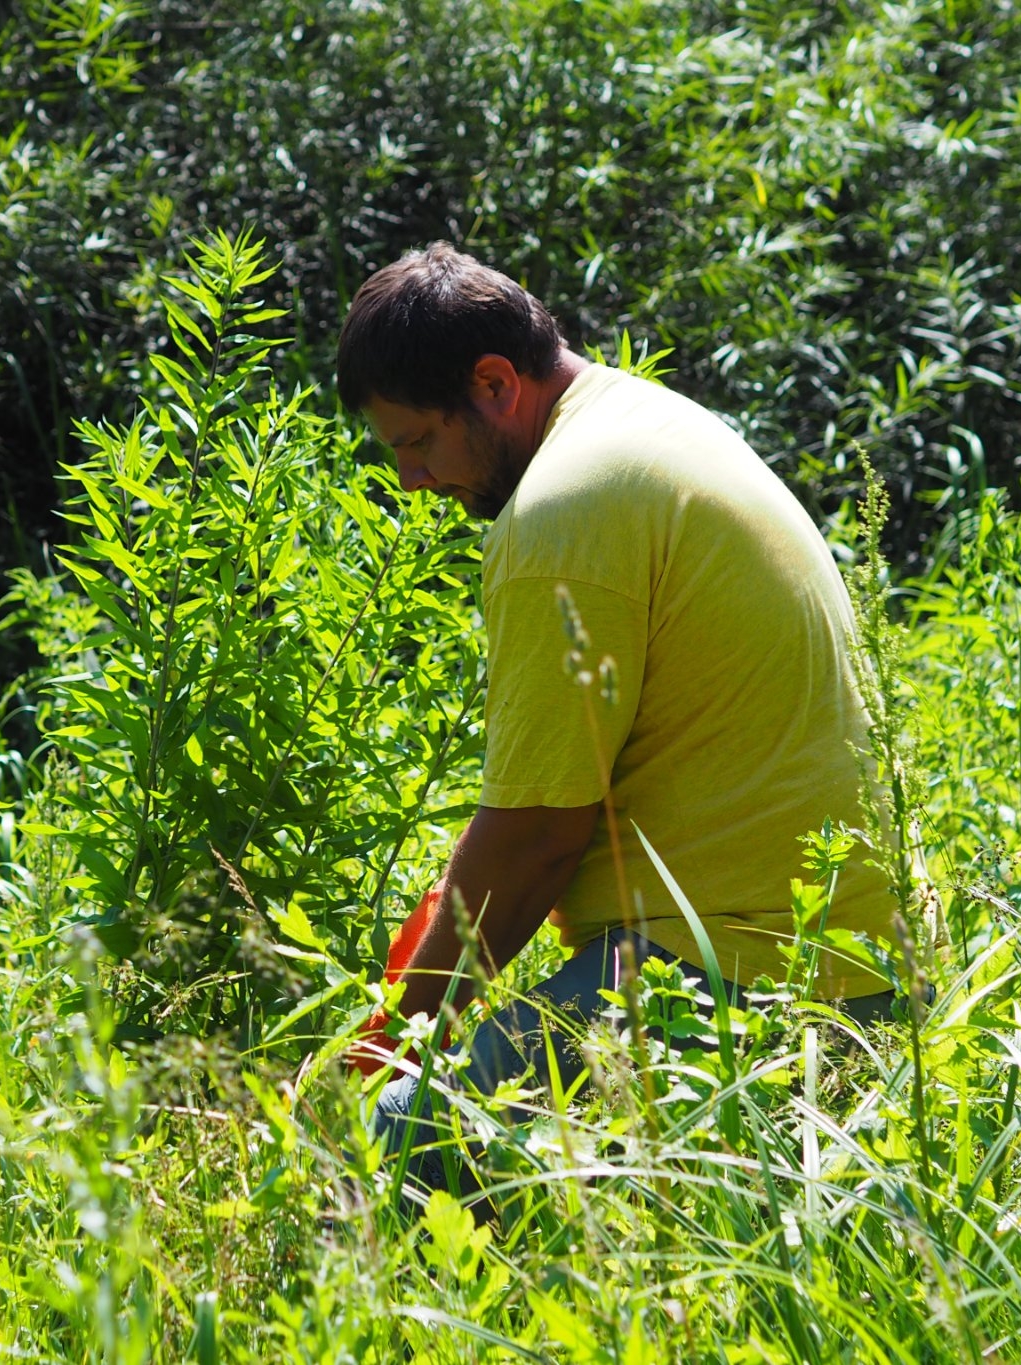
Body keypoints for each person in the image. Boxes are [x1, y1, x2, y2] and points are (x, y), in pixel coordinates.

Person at [334, 244, 900, 1196]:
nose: (412, 480)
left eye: (418, 441)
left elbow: (535, 842)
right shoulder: (643, 423)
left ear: (493, 382)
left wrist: (387, 1043)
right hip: (851, 963)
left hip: (744, 977)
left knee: (388, 1142)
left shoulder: (562, 512)